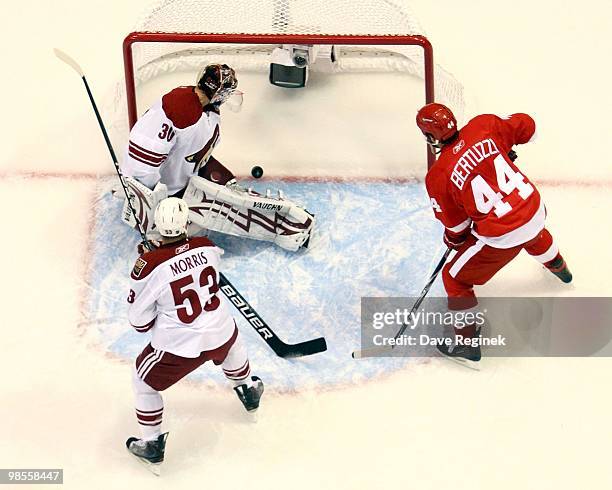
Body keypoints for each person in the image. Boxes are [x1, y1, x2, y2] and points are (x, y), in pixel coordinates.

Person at [416, 103, 572, 364]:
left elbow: (458, 229)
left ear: (431, 137)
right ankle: (559, 266)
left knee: (454, 278)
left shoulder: (437, 176)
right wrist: (504, 149)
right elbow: (528, 126)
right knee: (531, 231)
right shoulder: (484, 125)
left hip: (504, 234)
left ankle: (466, 343)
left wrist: (452, 240)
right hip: (534, 208)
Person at [125, 197, 264, 473]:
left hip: (180, 347)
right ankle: (248, 388)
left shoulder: (148, 266)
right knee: (232, 341)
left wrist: (150, 257)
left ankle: (152, 443)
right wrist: (161, 254)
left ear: (157, 226)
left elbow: (138, 321)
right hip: (220, 332)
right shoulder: (208, 247)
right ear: (187, 222)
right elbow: (187, 261)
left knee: (143, 381)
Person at [119, 63, 314, 251]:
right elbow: (142, 160)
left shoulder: (200, 105)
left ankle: (282, 224)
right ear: (219, 92)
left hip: (185, 174)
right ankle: (286, 229)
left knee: (227, 185)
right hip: (168, 192)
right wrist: (154, 201)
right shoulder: (180, 111)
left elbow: (190, 152)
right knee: (209, 219)